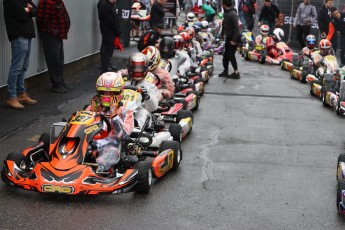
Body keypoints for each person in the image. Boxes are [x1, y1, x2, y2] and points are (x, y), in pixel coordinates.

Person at [90, 72, 134, 172]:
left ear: (119, 93)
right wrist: (93, 113)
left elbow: (124, 136)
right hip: (91, 144)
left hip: (112, 146)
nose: (108, 96)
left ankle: (99, 172)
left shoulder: (126, 112)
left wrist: (114, 116)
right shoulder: (92, 108)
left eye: (112, 93)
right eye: (104, 92)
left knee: (108, 154)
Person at [3, 0, 38, 109]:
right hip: (18, 34)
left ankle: (21, 93)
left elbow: (36, 11)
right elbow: (21, 15)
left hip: (27, 33)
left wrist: (28, 9)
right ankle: (11, 97)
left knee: (24, 66)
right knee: (17, 67)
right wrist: (28, 9)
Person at [36, 0, 70, 93]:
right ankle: (57, 85)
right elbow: (41, 19)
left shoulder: (58, 1)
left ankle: (61, 82)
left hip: (58, 35)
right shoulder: (46, 1)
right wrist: (50, 30)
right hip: (50, 35)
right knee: (54, 60)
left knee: (59, 60)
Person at [118, 53, 159, 129]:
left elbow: (154, 107)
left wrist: (147, 97)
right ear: (130, 68)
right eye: (135, 68)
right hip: (123, 111)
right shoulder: (124, 84)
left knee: (142, 112)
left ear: (145, 69)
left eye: (140, 68)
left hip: (141, 113)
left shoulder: (150, 86)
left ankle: (136, 127)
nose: (137, 71)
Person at [97, 0, 121, 74]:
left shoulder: (108, 5)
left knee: (108, 49)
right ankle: (104, 68)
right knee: (107, 50)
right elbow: (110, 21)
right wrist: (117, 30)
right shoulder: (105, 5)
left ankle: (106, 66)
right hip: (108, 31)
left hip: (110, 31)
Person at [219, 0, 240, 79]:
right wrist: (222, 33)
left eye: (222, 4)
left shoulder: (233, 14)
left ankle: (236, 72)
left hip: (233, 38)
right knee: (225, 55)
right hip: (228, 38)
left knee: (231, 55)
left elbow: (236, 28)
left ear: (224, 5)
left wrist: (234, 40)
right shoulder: (226, 13)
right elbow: (224, 24)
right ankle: (225, 71)